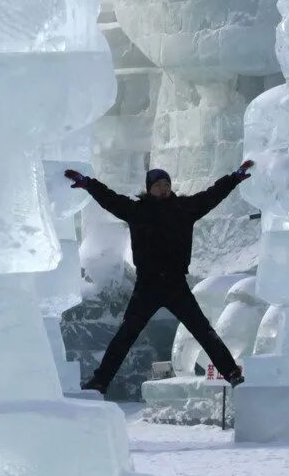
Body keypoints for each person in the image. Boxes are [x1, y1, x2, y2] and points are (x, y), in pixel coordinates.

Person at [65, 162, 255, 394]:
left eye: (167, 184)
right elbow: (110, 199)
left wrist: (233, 178)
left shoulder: (184, 208)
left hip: (176, 284)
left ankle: (232, 373)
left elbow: (211, 196)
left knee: (204, 332)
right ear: (149, 188)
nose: (164, 188)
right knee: (125, 336)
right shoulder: (137, 211)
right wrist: (88, 184)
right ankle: (100, 382)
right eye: (158, 185)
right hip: (148, 286)